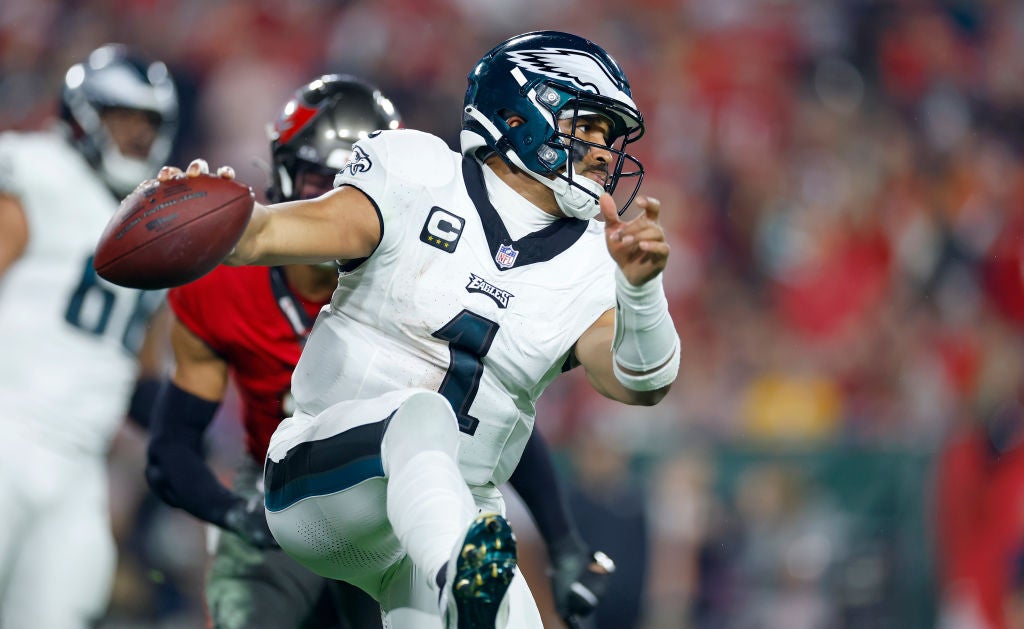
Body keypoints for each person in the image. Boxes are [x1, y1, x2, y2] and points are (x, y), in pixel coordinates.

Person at [154, 30, 678, 629]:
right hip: (326, 480)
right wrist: (214, 216)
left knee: (478, 558)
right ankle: (461, 576)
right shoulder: (417, 174)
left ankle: (460, 580)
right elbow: (271, 234)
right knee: (419, 417)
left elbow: (642, 383)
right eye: (588, 127)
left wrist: (641, 290)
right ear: (518, 112)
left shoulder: (592, 260)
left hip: (455, 514)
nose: (605, 152)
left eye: (612, 138)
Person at [0, 43, 178, 627]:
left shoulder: (159, 223)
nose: (133, 135)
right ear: (82, 114)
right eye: (121, 117)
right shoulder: (39, 172)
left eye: (146, 123)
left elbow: (140, 375)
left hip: (81, 468)